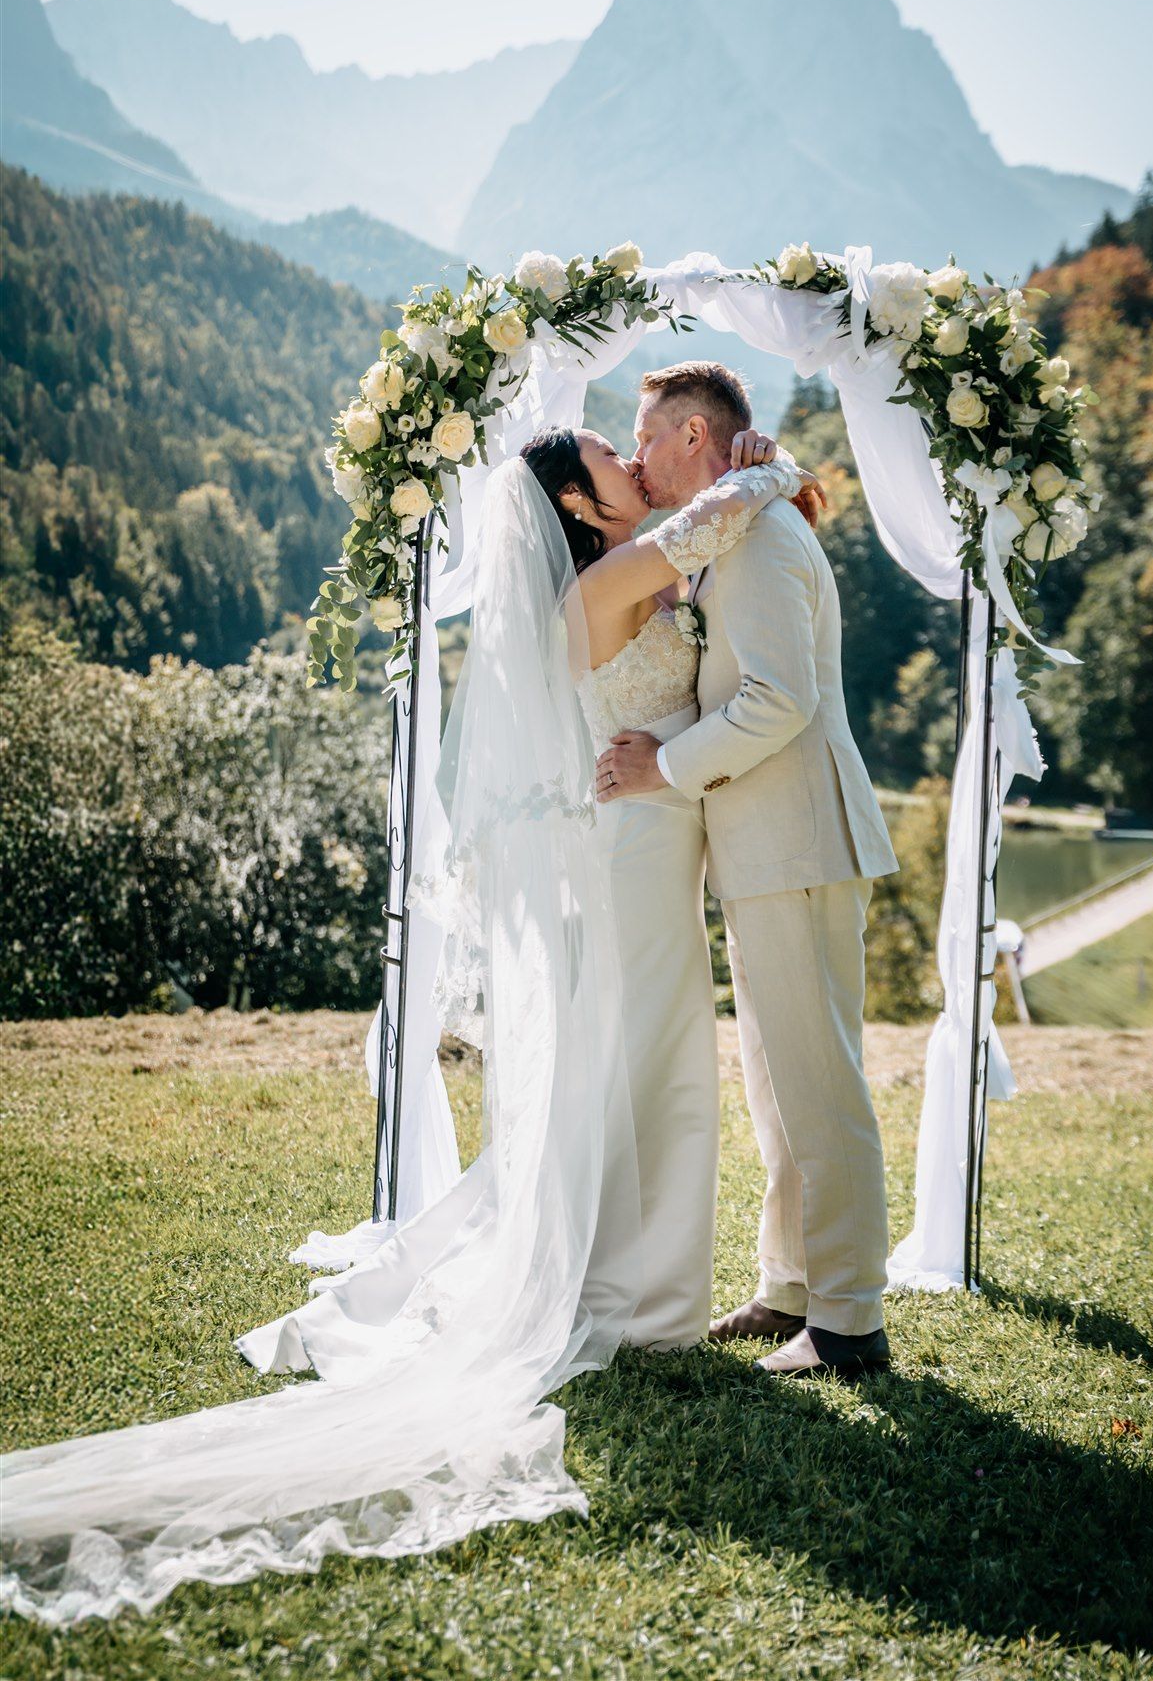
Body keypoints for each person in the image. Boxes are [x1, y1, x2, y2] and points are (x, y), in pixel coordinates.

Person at [0, 396, 813, 1626]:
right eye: (607, 452)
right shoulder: (594, 588)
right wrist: (775, 460)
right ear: (578, 505)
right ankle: (645, 1300)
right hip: (630, 848)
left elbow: (702, 553)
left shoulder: (623, 570)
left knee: (645, 1066)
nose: (626, 453)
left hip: (651, 840)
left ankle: (644, 1283)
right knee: (648, 1066)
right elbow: (717, 512)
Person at [598, 360, 899, 1381]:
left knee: (818, 1078)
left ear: (692, 436)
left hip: (800, 838)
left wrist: (663, 766)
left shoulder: (765, 535)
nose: (634, 456)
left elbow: (779, 697)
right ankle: (791, 1287)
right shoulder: (736, 529)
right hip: (768, 843)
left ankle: (851, 1319)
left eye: (643, 437)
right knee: (778, 1079)